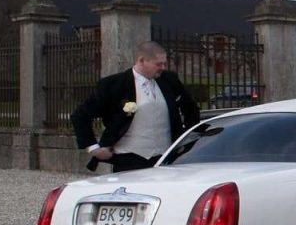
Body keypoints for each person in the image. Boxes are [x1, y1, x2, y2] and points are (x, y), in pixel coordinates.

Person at [72, 41, 200, 173]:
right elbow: (80, 116)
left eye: (164, 63)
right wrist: (94, 149)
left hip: (166, 157)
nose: (163, 67)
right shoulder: (114, 85)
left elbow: (190, 108)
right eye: (158, 64)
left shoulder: (169, 80)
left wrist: (187, 139)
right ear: (141, 60)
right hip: (128, 158)